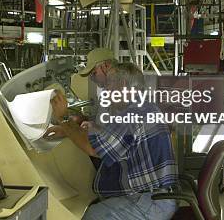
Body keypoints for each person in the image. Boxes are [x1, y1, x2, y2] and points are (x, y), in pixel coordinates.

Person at [45, 60, 178, 220]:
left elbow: (93, 148)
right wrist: (68, 130)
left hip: (151, 203)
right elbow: (105, 136)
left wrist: (63, 118)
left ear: (122, 84)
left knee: (92, 216)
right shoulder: (144, 107)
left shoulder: (133, 114)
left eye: (108, 86)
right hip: (156, 197)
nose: (106, 92)